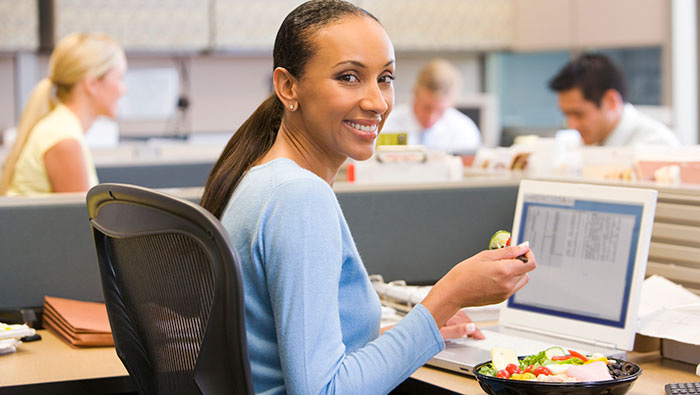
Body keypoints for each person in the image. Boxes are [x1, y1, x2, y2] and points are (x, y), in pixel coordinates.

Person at [200, 1, 536, 393]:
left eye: (386, 78)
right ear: (288, 86)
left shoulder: (264, 178)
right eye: (348, 77)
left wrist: (416, 330)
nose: (377, 102)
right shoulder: (298, 198)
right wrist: (449, 295)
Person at [0, 33, 127, 196]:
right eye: (120, 78)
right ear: (92, 84)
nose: (124, 89)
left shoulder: (61, 127)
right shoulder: (64, 140)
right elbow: (80, 219)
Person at [548, 53, 680, 147]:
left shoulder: (656, 146)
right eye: (566, 115)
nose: (572, 125)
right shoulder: (582, 143)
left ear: (610, 101)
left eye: (578, 114)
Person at [380, 58, 482, 153]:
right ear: (415, 93)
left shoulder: (464, 131)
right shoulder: (385, 124)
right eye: (426, 107)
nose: (431, 117)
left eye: (440, 111)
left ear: (452, 104)